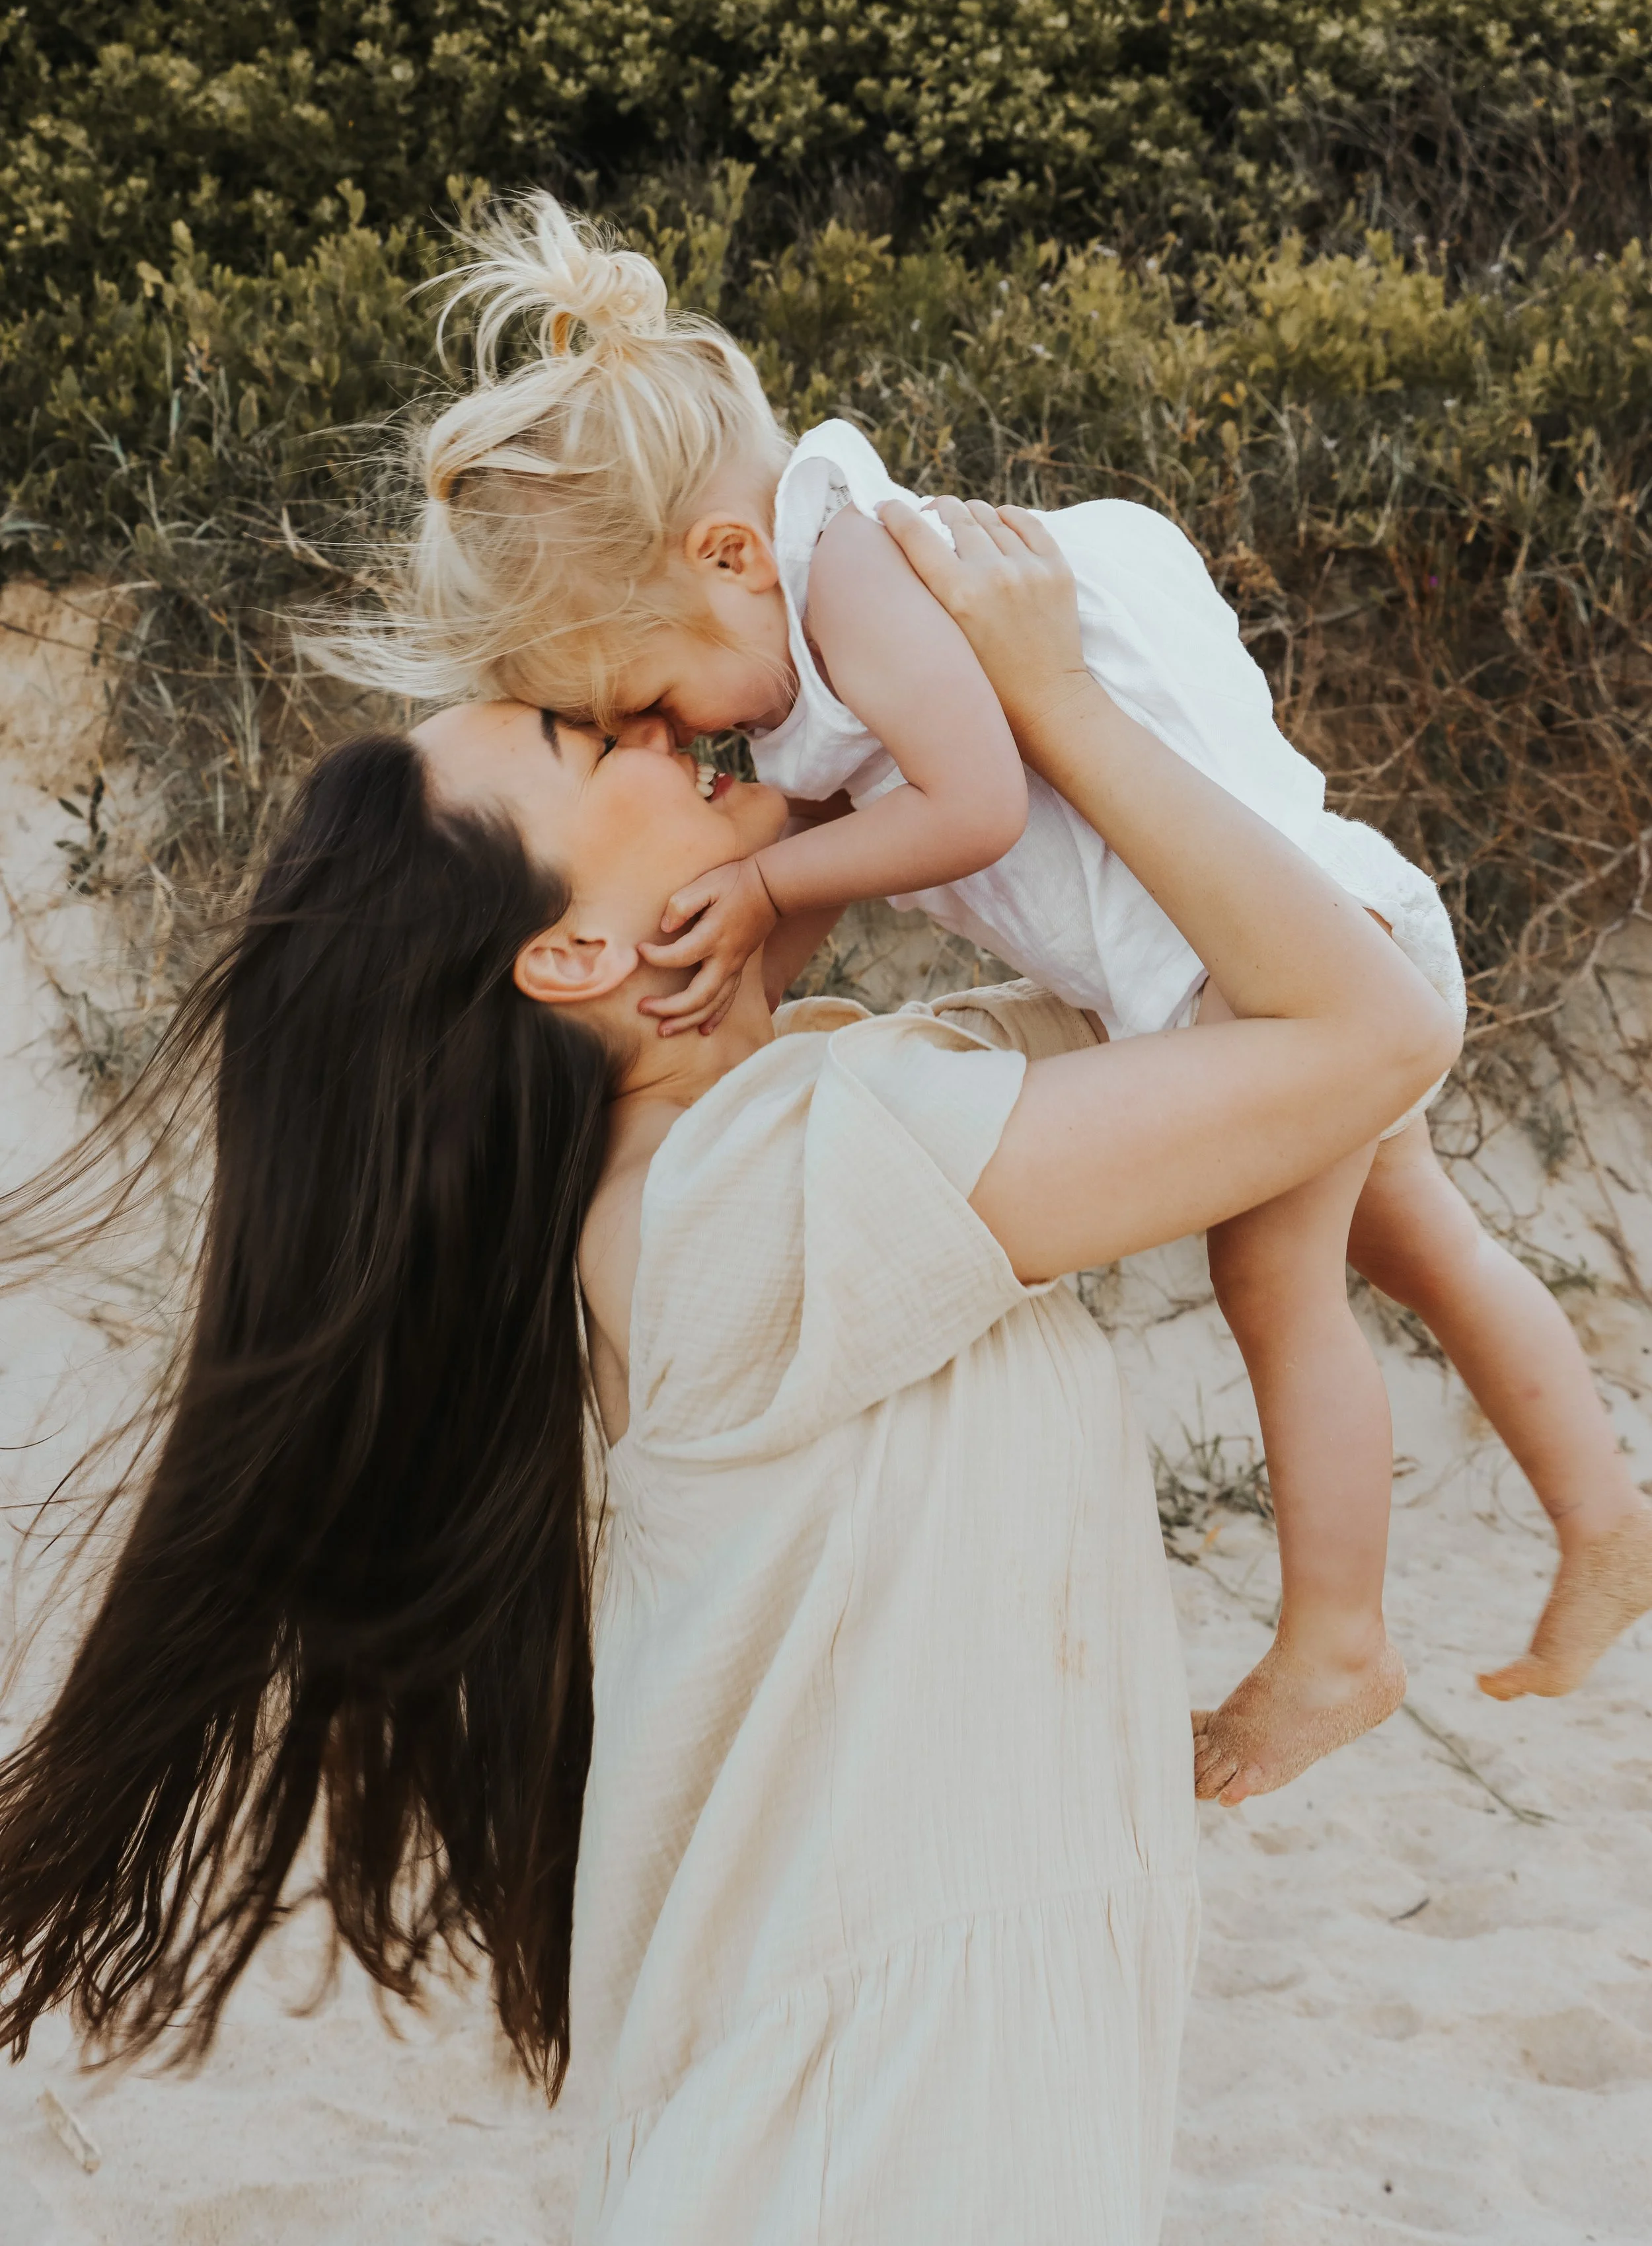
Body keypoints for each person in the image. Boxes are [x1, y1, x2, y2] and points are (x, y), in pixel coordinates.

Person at [1, 507, 1456, 2240]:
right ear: (570, 957)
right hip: (865, 2167)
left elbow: (1117, 964)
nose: (638, 721)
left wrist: (854, 742)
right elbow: (1364, 1027)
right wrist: (1050, 694)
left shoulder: (737, 1183)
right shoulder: (780, 1203)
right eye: (571, 737)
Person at [356, 192, 1652, 1802]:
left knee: (1277, 1290)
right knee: (1420, 1236)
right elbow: (829, 848)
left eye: (645, 695)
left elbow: (965, 809)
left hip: (1259, 967)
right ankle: (1601, 1513)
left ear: (722, 558)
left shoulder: (848, 583)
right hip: (1308, 928)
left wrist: (756, 885)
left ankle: (1336, 1641)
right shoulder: (806, 614)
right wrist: (743, 938)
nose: (673, 741)